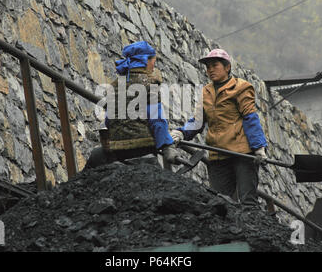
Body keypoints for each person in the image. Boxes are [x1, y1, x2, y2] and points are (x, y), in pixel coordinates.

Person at [170, 49, 268, 209]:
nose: (210, 70)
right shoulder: (206, 92)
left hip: (241, 153)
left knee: (248, 203)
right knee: (219, 203)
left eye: (215, 65)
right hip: (218, 154)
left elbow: (250, 118)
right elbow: (197, 121)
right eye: (208, 67)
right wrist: (181, 132)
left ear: (227, 67)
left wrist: (259, 148)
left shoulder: (241, 87)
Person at [85, 41, 179, 169]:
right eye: (153, 61)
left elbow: (108, 120)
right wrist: (167, 146)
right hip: (142, 149)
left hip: (117, 150)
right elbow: (157, 121)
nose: (154, 66)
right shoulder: (150, 84)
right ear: (145, 61)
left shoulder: (114, 86)